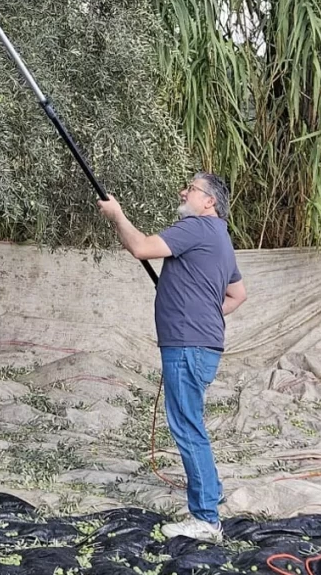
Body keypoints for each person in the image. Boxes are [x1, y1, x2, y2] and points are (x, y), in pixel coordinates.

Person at [97, 172, 246, 542]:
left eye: (191, 188)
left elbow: (142, 248)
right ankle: (210, 492)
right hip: (198, 344)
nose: (184, 192)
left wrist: (117, 215)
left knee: (187, 426)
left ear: (208, 201)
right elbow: (237, 295)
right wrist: (203, 312)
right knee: (191, 422)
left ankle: (206, 519)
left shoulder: (196, 227)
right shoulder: (220, 237)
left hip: (187, 347)